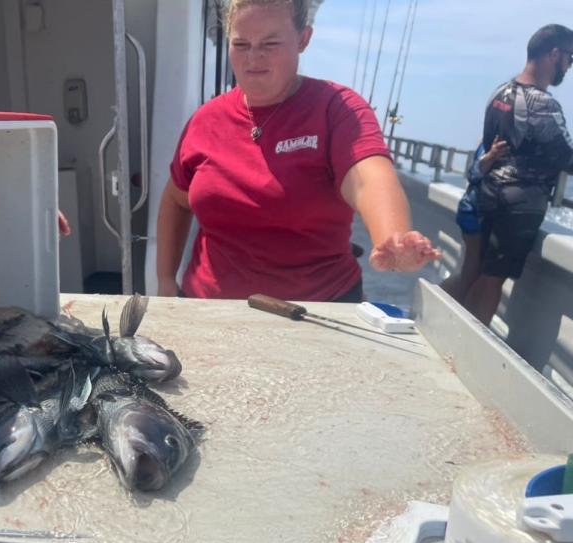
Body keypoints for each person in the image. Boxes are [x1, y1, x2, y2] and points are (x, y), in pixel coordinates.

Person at [156, 0, 440, 301]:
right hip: (209, 306)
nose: (254, 58)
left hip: (317, 311)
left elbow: (366, 176)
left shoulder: (336, 108)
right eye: (241, 44)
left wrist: (392, 236)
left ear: (303, 39)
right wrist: (164, 280)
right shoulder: (205, 120)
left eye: (270, 43)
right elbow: (176, 199)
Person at [463, 24, 573, 325]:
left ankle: (459, 337)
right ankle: (470, 350)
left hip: (489, 195)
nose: (569, 66)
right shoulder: (543, 103)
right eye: (570, 57)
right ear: (554, 54)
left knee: (482, 275)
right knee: (492, 281)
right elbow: (567, 157)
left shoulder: (500, 91)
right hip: (517, 205)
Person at [440, 137, 510, 303]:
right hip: (473, 212)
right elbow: (473, 173)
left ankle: (438, 301)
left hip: (485, 213)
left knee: (474, 271)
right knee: (471, 271)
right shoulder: (494, 138)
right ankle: (436, 304)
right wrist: (491, 155)